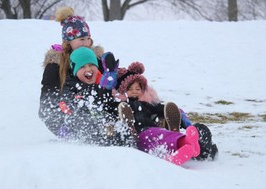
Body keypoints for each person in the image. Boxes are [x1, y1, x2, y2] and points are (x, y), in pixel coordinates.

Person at [113, 62, 218, 161]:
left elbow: (165, 109)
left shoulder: (146, 104)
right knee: (160, 137)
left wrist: (179, 114)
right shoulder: (120, 105)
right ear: (123, 91)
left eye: (138, 89)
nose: (134, 91)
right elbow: (110, 108)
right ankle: (131, 130)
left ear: (143, 90)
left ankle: (188, 144)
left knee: (164, 136)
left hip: (151, 129)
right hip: (139, 134)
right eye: (130, 89)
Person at [39, 6, 104, 137]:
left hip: (98, 114)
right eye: (81, 39)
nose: (86, 43)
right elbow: (47, 105)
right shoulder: (55, 66)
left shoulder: (95, 60)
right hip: (70, 121)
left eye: (88, 38)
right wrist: (62, 128)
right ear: (67, 42)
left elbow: (108, 86)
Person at [57, 46, 136, 147]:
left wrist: (110, 92)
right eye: (82, 67)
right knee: (83, 109)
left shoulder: (101, 83)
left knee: (115, 116)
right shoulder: (70, 86)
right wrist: (105, 88)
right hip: (78, 131)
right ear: (74, 71)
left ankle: (129, 135)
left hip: (103, 126)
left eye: (91, 65)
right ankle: (111, 132)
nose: (88, 69)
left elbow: (106, 102)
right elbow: (74, 102)